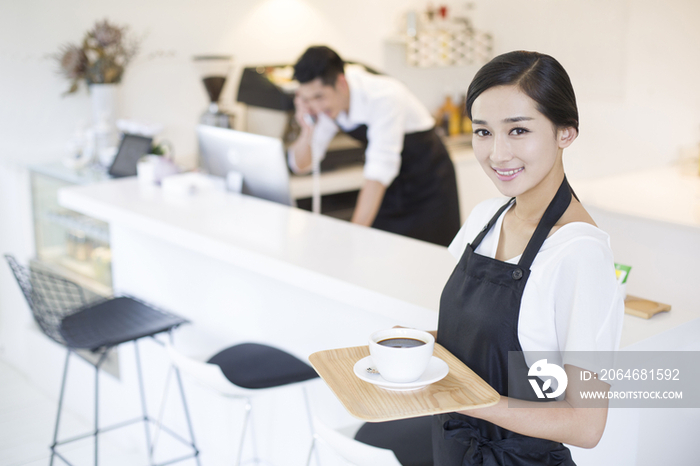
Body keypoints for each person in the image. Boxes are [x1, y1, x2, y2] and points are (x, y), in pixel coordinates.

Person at [431, 51, 625, 465]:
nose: (497, 154)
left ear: (565, 132)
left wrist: (463, 398)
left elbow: (585, 425)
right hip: (453, 447)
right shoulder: (485, 217)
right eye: (482, 132)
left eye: (518, 130)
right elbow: (473, 344)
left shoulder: (580, 254)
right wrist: (415, 351)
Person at [289, 46, 461, 247]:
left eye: (319, 97)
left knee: (428, 259)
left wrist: (351, 240)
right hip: (390, 186)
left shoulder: (384, 96)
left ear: (341, 84)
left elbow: (379, 171)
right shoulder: (328, 104)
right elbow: (301, 166)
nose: (316, 107)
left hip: (427, 182)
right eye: (307, 99)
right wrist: (307, 129)